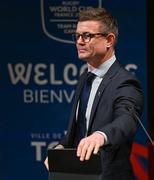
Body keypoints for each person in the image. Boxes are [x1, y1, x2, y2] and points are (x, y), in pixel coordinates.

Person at [45, 7, 144, 180]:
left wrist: (100, 136)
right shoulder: (86, 77)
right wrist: (61, 147)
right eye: (77, 36)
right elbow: (80, 130)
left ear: (109, 40)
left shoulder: (125, 82)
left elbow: (127, 120)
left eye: (87, 36)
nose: (80, 42)